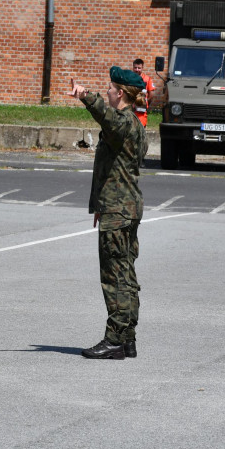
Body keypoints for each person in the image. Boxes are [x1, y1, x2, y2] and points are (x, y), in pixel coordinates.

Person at [68, 67, 148, 360]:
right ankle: (127, 339)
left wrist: (86, 96)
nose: (109, 92)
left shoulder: (123, 123)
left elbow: (106, 116)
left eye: (112, 89)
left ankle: (114, 339)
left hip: (119, 210)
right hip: (123, 208)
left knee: (114, 277)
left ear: (123, 94)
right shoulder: (135, 124)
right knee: (125, 274)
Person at [131, 59, 156, 127]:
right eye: (135, 67)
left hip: (141, 112)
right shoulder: (129, 78)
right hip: (130, 110)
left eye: (139, 68)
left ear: (142, 68)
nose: (137, 70)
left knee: (140, 130)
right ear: (133, 67)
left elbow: (151, 95)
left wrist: (145, 103)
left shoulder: (147, 79)